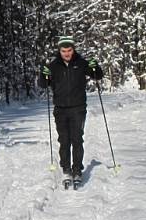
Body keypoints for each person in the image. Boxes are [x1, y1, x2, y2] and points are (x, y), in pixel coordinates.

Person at [39, 36, 103, 183]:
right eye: (64, 51)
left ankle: (77, 170)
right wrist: (43, 74)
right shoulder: (54, 66)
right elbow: (43, 84)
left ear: (73, 50)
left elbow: (97, 75)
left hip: (78, 108)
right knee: (64, 141)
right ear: (59, 51)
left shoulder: (80, 63)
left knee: (77, 140)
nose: (67, 53)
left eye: (69, 50)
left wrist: (95, 67)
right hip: (60, 109)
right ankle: (66, 170)